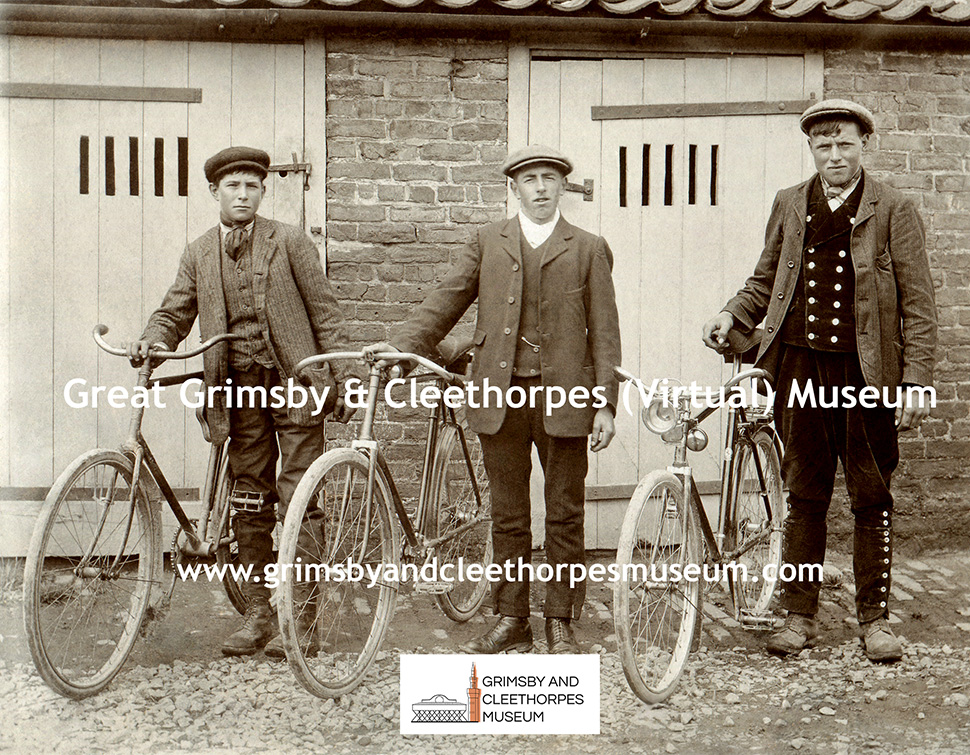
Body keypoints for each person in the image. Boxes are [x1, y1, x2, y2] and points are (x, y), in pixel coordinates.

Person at [702, 100, 937, 662]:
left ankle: (875, 620)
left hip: (867, 372)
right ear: (812, 148)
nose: (834, 155)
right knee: (804, 494)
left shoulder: (894, 208)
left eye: (845, 144)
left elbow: (919, 304)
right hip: (799, 368)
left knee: (870, 495)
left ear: (865, 144)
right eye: (823, 145)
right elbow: (766, 280)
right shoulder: (790, 202)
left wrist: (917, 380)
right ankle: (798, 615)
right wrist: (733, 314)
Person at [363, 145, 622, 654]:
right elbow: (446, 298)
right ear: (515, 188)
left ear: (563, 186)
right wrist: (402, 344)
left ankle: (561, 621)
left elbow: (606, 333)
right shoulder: (487, 241)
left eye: (550, 178)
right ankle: (511, 617)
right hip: (497, 396)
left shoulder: (589, 247)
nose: (542, 188)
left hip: (565, 397)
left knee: (564, 512)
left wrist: (606, 403)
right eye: (530, 179)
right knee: (507, 514)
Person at [129, 146, 352, 658]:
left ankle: (302, 617)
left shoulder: (291, 242)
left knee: (301, 498)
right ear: (215, 192)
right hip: (236, 390)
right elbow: (174, 312)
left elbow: (326, 312)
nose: (244, 194)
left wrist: (345, 376)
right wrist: (151, 340)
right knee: (250, 499)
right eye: (233, 186)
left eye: (252, 185)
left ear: (262, 191)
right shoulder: (199, 252)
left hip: (296, 382)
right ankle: (258, 615)